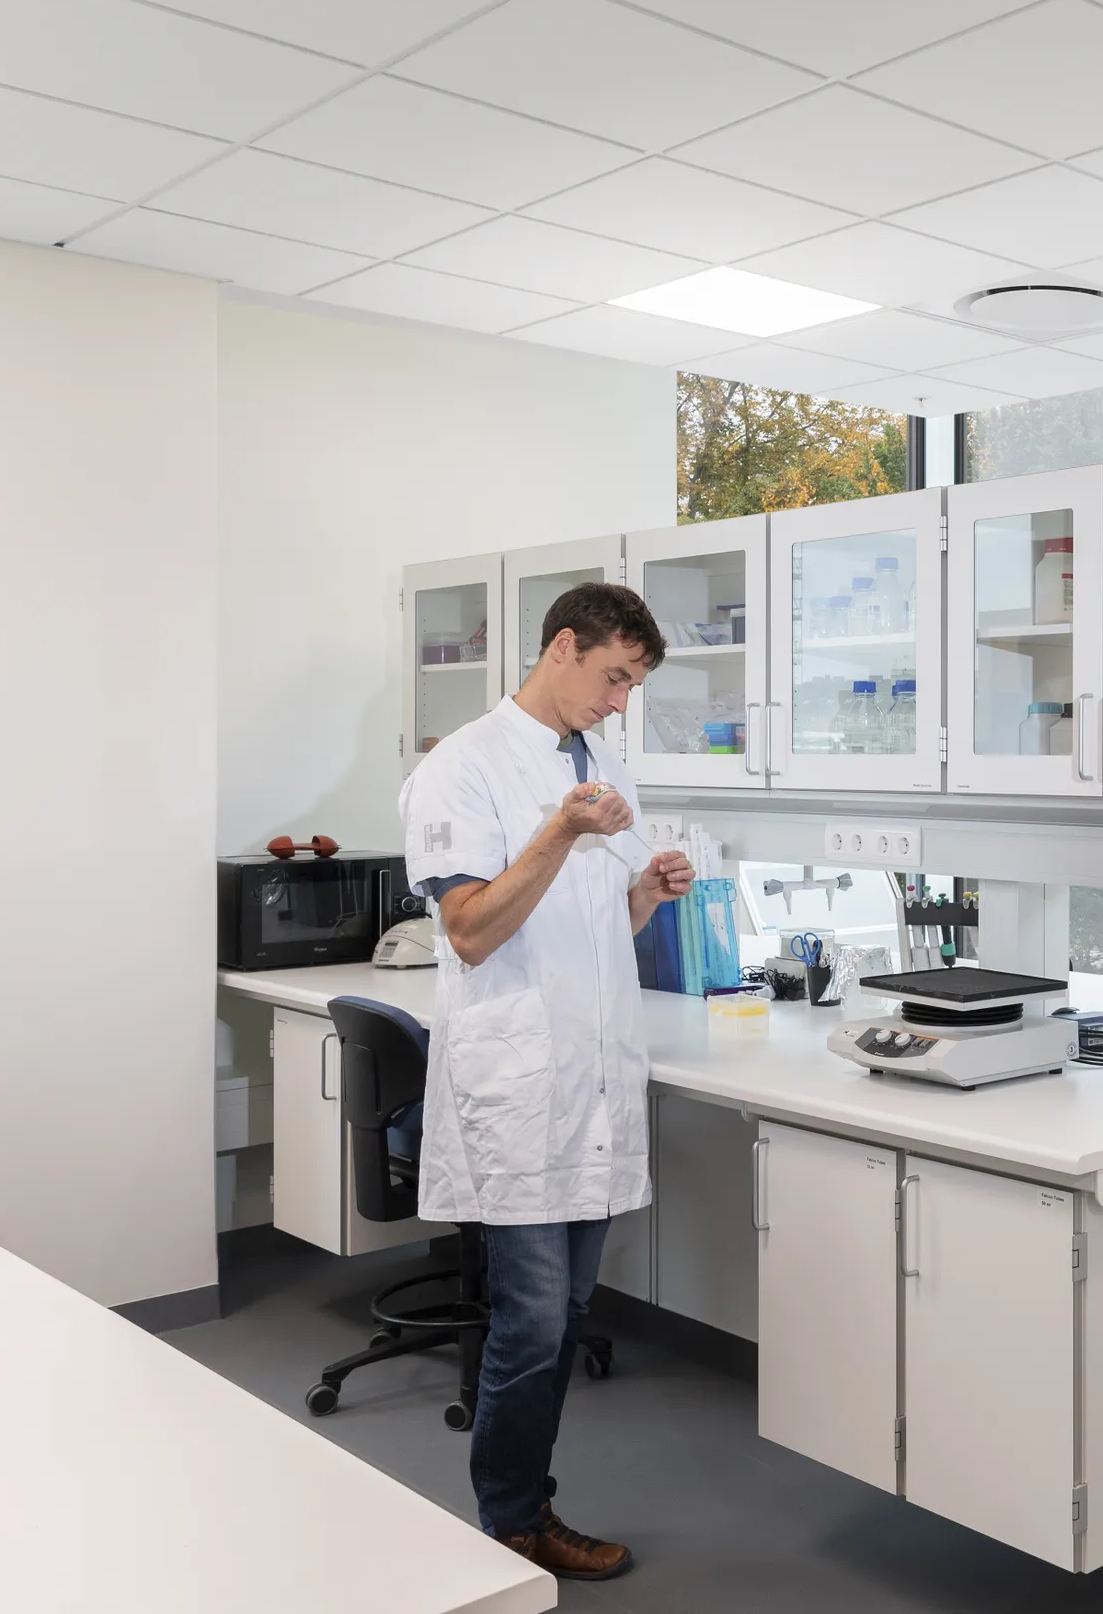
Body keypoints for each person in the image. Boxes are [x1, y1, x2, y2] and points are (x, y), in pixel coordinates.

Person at [397, 581, 694, 1580]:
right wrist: (562, 833)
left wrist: (644, 894)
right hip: (519, 1088)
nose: (620, 702)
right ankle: (510, 1523)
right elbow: (474, 930)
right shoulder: (461, 767)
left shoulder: (601, 762)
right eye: (614, 677)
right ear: (562, 647)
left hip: (592, 1083)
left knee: (565, 1317)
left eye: (633, 686)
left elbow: (589, 933)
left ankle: (523, 1504)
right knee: (530, 1321)